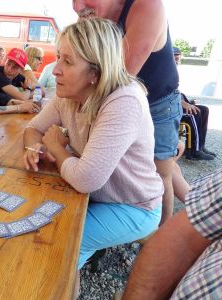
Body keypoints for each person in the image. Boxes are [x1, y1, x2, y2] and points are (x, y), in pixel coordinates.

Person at [22, 19, 163, 295]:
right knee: (35, 219)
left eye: (67, 61)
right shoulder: (69, 93)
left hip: (134, 206)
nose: (56, 69)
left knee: (63, 245)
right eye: (58, 56)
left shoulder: (124, 100)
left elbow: (86, 179)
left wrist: (58, 148)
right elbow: (32, 128)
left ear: (95, 73)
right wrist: (33, 148)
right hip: (97, 196)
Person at [73, 0, 183, 225]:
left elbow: (117, 78)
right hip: (123, 101)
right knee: (124, 166)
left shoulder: (147, 5)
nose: (77, 7)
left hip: (158, 104)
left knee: (161, 175)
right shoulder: (95, 13)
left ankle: (158, 237)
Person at [122, 168, 222, 299]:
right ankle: (165, 221)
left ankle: (164, 221)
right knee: (166, 174)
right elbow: (183, 238)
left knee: (166, 174)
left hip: (145, 209)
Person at [173, 47, 215, 160]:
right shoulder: (163, 71)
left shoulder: (172, 71)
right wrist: (183, 103)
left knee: (204, 109)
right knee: (194, 113)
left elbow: (176, 92)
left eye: (178, 59)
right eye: (174, 58)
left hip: (176, 103)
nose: (176, 61)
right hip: (169, 108)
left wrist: (188, 101)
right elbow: (165, 93)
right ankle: (194, 151)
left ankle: (200, 145)